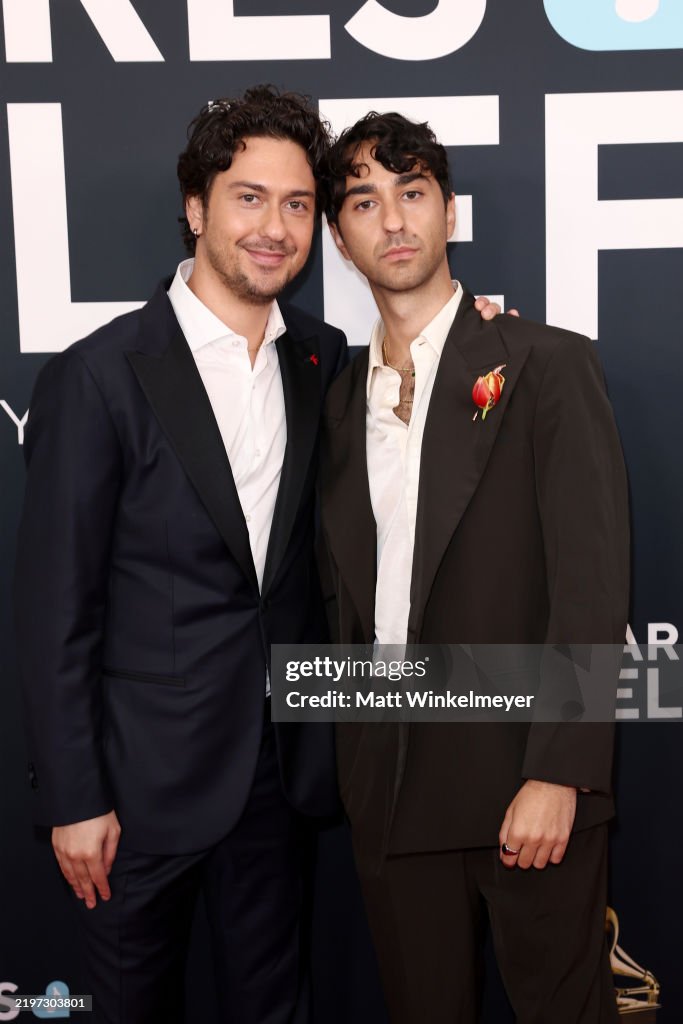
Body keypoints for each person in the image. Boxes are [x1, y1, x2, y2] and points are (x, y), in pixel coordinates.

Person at [13, 87, 503, 1023]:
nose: (274, 228)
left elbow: (431, 390)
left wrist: (472, 334)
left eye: (297, 205)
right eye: (248, 198)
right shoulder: (99, 375)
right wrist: (74, 797)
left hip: (282, 783)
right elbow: (54, 612)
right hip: (135, 800)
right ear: (196, 208)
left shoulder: (321, 361)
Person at [319, 112, 629, 1023]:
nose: (395, 221)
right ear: (339, 237)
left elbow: (592, 579)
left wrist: (561, 773)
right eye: (366, 203)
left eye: (412, 194)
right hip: (389, 787)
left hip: (526, 789)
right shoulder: (332, 398)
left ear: (447, 212)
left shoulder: (547, 365)